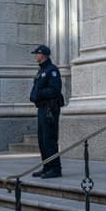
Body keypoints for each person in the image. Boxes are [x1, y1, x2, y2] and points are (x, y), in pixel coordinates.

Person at [28, 44, 63, 178]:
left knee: (49, 139)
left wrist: (38, 94)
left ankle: (55, 168)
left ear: (43, 55)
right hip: (42, 108)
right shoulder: (41, 70)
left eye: (37, 53)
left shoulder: (52, 70)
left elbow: (55, 90)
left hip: (50, 108)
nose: (35, 56)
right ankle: (47, 166)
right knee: (42, 140)